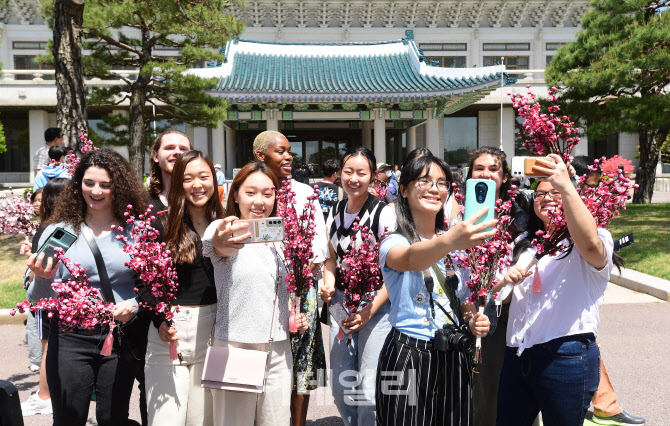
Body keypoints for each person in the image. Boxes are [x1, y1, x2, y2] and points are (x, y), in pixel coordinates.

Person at [26, 148, 149, 426]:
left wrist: (135, 305)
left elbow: (150, 287)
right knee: (69, 418)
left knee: (112, 418)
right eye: (89, 183)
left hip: (118, 338)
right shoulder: (60, 231)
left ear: (120, 187)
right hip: (70, 338)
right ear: (77, 183)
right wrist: (43, 278)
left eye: (106, 185)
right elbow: (36, 299)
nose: (96, 191)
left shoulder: (136, 230)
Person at [376, 152, 494, 426]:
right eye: (424, 180)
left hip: (454, 354)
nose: (434, 188)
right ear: (403, 189)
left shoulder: (455, 243)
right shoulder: (393, 241)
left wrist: (474, 318)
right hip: (407, 354)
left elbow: (462, 299)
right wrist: (451, 241)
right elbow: (410, 259)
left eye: (442, 183)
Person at [497, 154, 613, 426]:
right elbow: (499, 294)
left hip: (565, 355)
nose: (547, 197)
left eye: (556, 192)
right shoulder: (525, 243)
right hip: (519, 354)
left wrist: (567, 186)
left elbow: (591, 246)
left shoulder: (590, 239)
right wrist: (504, 280)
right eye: (540, 194)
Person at [202, 161, 309, 425]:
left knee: (277, 421)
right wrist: (223, 240)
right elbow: (219, 246)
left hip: (279, 347)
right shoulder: (222, 229)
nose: (259, 201)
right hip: (236, 344)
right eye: (250, 193)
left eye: (267, 193)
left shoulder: (283, 237)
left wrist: (295, 315)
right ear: (235, 194)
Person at [253, 130, 329, 426]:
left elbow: (320, 240)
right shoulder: (251, 191)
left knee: (304, 364)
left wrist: (312, 259)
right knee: (268, 362)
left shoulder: (304, 192)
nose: (288, 156)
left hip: (302, 288)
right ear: (261, 156)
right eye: (280, 151)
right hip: (265, 292)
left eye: (289, 151)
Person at [144, 151, 224, 425]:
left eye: (204, 176)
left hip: (214, 330)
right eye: (188, 178)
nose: (197, 185)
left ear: (214, 180)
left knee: (204, 419)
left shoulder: (226, 224)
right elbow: (143, 280)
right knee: (165, 418)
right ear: (178, 183)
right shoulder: (160, 223)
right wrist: (159, 319)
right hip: (170, 332)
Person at [320, 147, 396, 426]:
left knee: (369, 390)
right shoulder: (335, 211)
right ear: (339, 173)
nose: (353, 178)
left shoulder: (383, 214)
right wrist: (328, 284)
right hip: (341, 303)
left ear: (373, 176)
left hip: (375, 304)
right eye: (348, 172)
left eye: (361, 173)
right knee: (341, 386)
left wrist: (368, 311)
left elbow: (393, 272)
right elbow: (329, 256)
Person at [571, 155, 645, 426]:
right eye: (591, 183)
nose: (596, 189)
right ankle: (604, 404)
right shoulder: (563, 202)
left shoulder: (590, 204)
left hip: (584, 285)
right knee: (585, 342)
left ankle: (605, 403)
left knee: (586, 340)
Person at [21, 178, 70, 417]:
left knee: (48, 348)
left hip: (49, 300)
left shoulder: (52, 229)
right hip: (56, 299)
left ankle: (44, 396)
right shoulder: (67, 227)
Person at [148, 129, 193, 210]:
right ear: (156, 156)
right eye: (169, 148)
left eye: (183, 149)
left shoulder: (202, 200)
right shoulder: (142, 203)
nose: (177, 152)